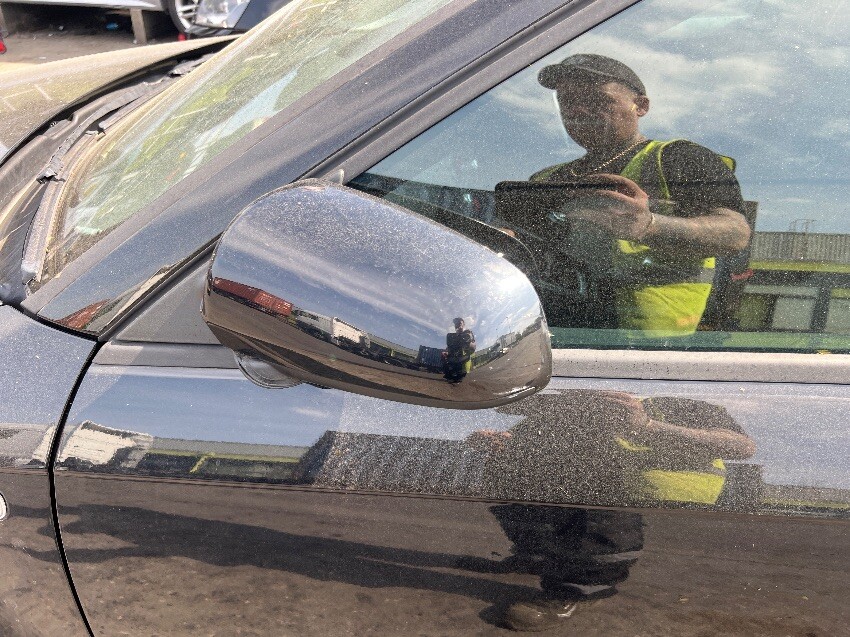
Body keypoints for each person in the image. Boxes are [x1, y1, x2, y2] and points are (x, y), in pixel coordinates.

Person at [467, 389, 755, 632]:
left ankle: (581, 588)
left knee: (598, 491)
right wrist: (506, 444)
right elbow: (534, 438)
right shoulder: (570, 401)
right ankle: (537, 557)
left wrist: (647, 426)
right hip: (588, 483)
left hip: (658, 490)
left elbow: (741, 447)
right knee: (511, 474)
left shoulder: (678, 398)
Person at [517, 54, 752, 335]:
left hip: (645, 349)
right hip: (549, 336)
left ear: (640, 106)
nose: (577, 110)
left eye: (596, 99)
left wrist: (650, 225)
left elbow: (735, 234)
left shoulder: (679, 158)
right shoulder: (544, 179)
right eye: (567, 101)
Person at [443, 317, 476, 382]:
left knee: (457, 381)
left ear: (463, 324)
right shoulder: (452, 336)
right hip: (452, 365)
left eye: (459, 323)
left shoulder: (468, 334)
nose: (457, 325)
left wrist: (467, 343)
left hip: (463, 366)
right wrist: (446, 352)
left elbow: (474, 347)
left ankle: (457, 376)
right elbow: (449, 348)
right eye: (456, 323)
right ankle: (450, 374)